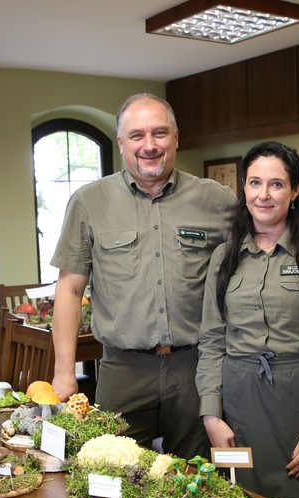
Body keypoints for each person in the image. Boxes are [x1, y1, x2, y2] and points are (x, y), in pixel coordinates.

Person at [49, 93, 237, 460]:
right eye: (137, 136)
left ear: (176, 138)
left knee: (194, 478)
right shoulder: (89, 202)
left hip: (197, 369)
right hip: (123, 370)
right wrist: (64, 373)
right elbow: (70, 290)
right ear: (121, 143)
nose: (149, 145)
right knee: (111, 476)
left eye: (159, 133)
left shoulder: (217, 201)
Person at [196, 141, 299, 498]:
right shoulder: (224, 257)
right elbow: (211, 339)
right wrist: (210, 414)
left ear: (296, 191)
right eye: (254, 183)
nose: (263, 195)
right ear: (244, 189)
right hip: (240, 409)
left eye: (276, 184)